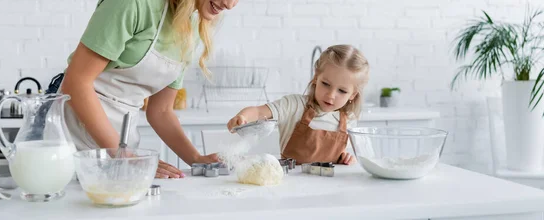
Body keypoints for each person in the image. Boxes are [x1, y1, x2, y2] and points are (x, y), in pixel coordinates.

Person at [51, 0, 240, 179]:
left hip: (123, 148)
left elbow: (161, 111)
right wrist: (123, 155)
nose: (230, 5)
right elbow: (76, 83)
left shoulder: (190, 27)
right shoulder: (134, 4)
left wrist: (196, 159)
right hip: (70, 142)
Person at [227, 45, 370, 165]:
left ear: (352, 95)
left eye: (342, 91)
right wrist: (242, 117)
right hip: (292, 185)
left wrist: (345, 158)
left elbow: (344, 155)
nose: (331, 95)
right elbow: (258, 112)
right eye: (325, 84)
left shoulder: (349, 120)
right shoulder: (294, 105)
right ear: (315, 78)